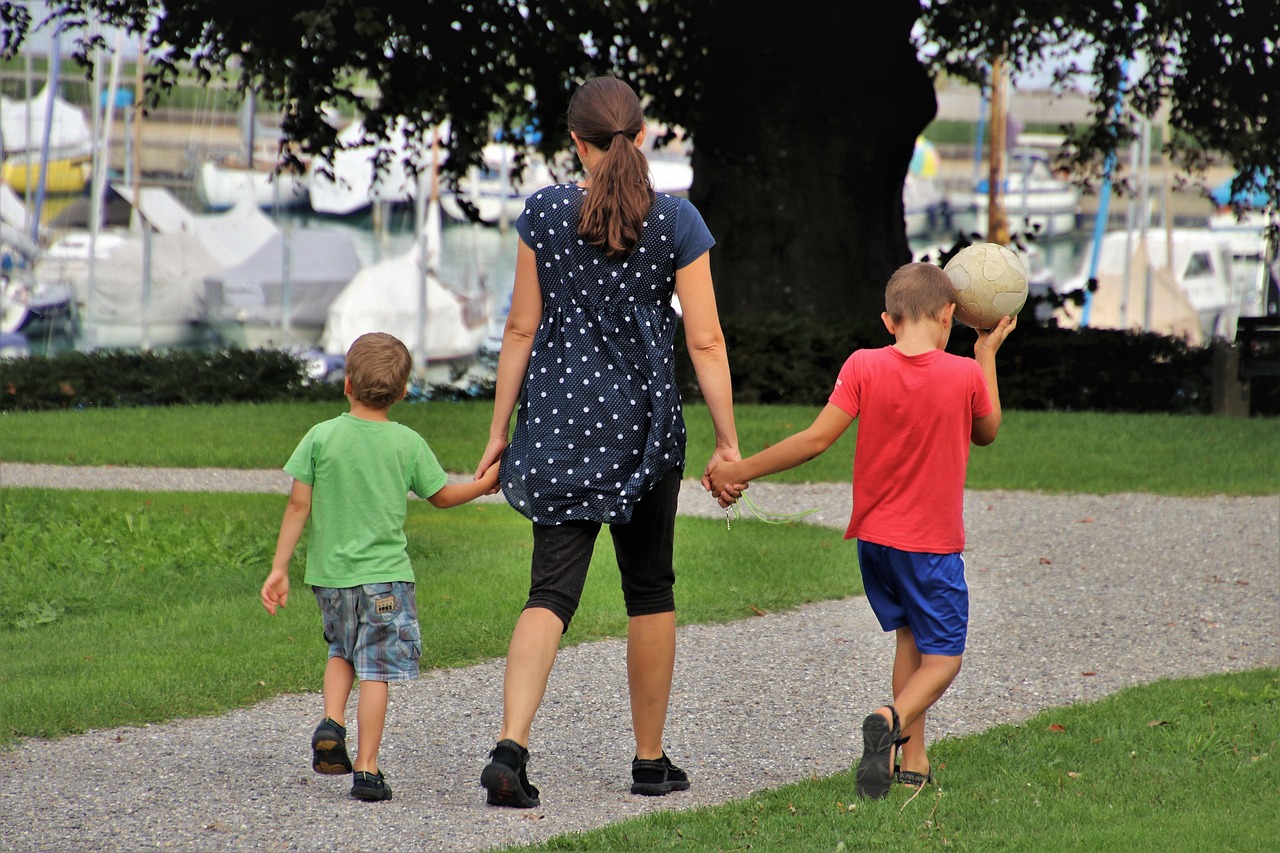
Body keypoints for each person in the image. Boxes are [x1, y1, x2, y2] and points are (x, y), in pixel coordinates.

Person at [473, 75, 739, 808]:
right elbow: (706, 338)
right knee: (650, 588)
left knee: (548, 591)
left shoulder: (546, 212)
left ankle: (510, 746)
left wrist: (499, 433)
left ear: (576, 143)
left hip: (559, 426)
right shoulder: (677, 220)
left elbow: (521, 328)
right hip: (646, 431)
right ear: (643, 136)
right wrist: (728, 440)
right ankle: (649, 761)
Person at [707, 262, 1016, 800]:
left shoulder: (863, 365)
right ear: (949, 316)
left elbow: (813, 441)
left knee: (910, 639)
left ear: (888, 321)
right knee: (944, 658)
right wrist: (985, 357)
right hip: (930, 546)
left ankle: (911, 760)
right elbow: (987, 433)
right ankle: (889, 718)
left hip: (875, 542)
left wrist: (738, 470)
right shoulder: (963, 376)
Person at [261, 331, 500, 802]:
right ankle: (367, 770)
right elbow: (442, 496)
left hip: (329, 577)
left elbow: (297, 506)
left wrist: (279, 568)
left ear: (345, 384)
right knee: (375, 669)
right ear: (404, 391)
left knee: (340, 650)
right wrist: (485, 483)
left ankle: (332, 720)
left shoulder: (320, 436)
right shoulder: (406, 442)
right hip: (386, 579)